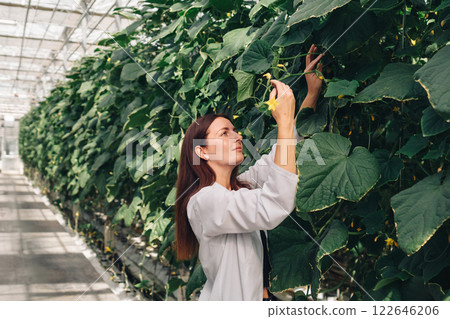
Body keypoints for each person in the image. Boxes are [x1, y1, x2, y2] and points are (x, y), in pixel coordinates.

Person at [175, 44, 323, 301]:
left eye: (234, 130)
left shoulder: (240, 186)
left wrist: (311, 93)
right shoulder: (204, 201)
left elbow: (282, 153)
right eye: (224, 133)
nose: (237, 135)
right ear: (203, 152)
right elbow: (274, 202)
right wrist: (283, 121)